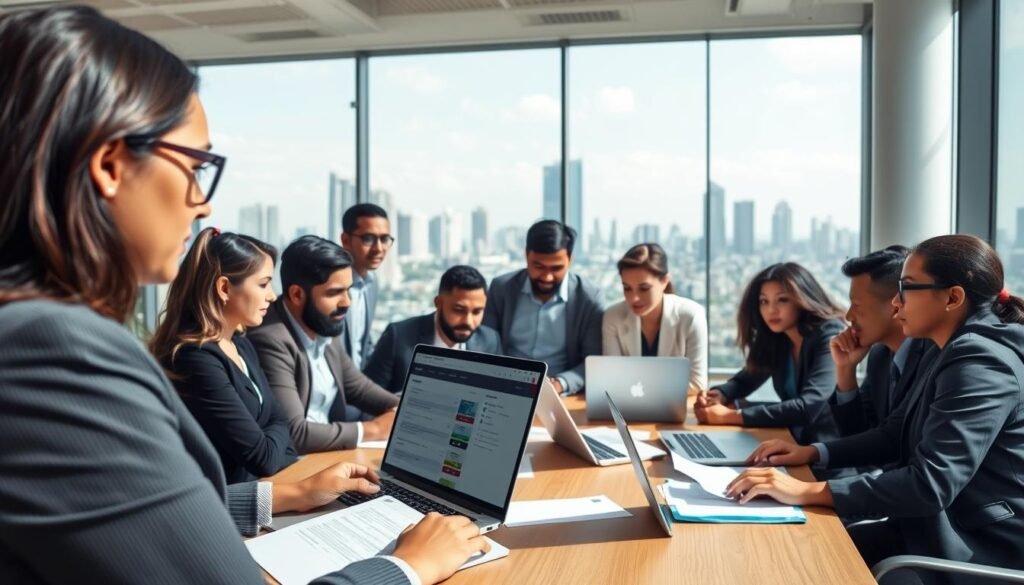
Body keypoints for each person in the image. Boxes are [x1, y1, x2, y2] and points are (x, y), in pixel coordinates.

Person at [0, 7, 487, 584]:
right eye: (196, 165)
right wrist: (404, 567)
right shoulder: (54, 352)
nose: (202, 202)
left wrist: (282, 496)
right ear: (109, 165)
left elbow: (106, 515)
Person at [732, 235, 1024, 584]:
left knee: (813, 562)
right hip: (926, 530)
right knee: (796, 552)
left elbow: (930, 485)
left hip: (976, 550)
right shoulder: (943, 349)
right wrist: (810, 452)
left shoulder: (981, 361)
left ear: (953, 297)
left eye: (907, 288)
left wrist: (806, 490)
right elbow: (892, 434)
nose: (896, 304)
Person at [150, 228, 297, 483]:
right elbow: (263, 457)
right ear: (225, 288)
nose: (272, 295)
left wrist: (272, 439)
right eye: (263, 284)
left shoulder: (241, 345)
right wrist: (273, 440)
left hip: (263, 493)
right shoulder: (195, 359)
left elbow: (280, 419)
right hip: (222, 511)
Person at [248, 235, 400, 453]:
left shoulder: (323, 324)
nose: (346, 302)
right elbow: (294, 433)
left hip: (330, 456)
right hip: (296, 466)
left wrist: (408, 409)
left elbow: (357, 387)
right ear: (297, 294)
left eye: (348, 290)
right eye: (334, 292)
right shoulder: (270, 339)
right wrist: (374, 429)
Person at [695, 262, 845, 446]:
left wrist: (733, 416)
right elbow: (746, 379)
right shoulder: (779, 338)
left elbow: (808, 406)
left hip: (829, 455)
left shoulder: (829, 335)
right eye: (764, 301)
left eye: (782, 300)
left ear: (803, 299)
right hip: (791, 443)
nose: (771, 310)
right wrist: (718, 395)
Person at [483, 220, 604, 395]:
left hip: (558, 393)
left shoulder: (589, 298)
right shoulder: (501, 288)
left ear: (570, 259)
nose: (547, 277)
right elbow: (485, 346)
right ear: (526, 255)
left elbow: (592, 362)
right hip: (504, 388)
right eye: (538, 266)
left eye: (556, 268)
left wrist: (560, 383)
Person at [829, 246, 931, 437]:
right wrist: (845, 369)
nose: (849, 316)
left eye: (856, 305)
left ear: (896, 304)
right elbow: (859, 437)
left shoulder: (932, 359)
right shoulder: (880, 355)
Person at [365, 265, 501, 393]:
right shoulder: (398, 337)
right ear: (438, 303)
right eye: (459, 310)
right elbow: (368, 400)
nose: (468, 321)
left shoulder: (489, 341)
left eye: (477, 312)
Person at [602, 243, 708, 393]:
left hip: (675, 410)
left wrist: (636, 387)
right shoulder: (613, 316)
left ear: (664, 281)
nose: (634, 298)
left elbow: (697, 384)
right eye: (627, 288)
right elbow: (611, 379)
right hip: (628, 409)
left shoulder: (691, 315)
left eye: (644, 288)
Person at [338, 203, 392, 371]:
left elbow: (363, 341)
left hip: (359, 386)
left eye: (384, 239)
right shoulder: (330, 287)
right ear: (346, 240)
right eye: (368, 239)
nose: (378, 248)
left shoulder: (372, 283)